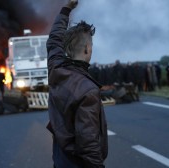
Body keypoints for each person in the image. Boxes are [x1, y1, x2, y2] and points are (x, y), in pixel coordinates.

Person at [46, 0, 108, 167]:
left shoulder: (56, 69)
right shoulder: (88, 90)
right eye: (91, 45)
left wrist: (66, 9)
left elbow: (53, 41)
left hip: (59, 159)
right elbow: (88, 143)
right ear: (87, 48)